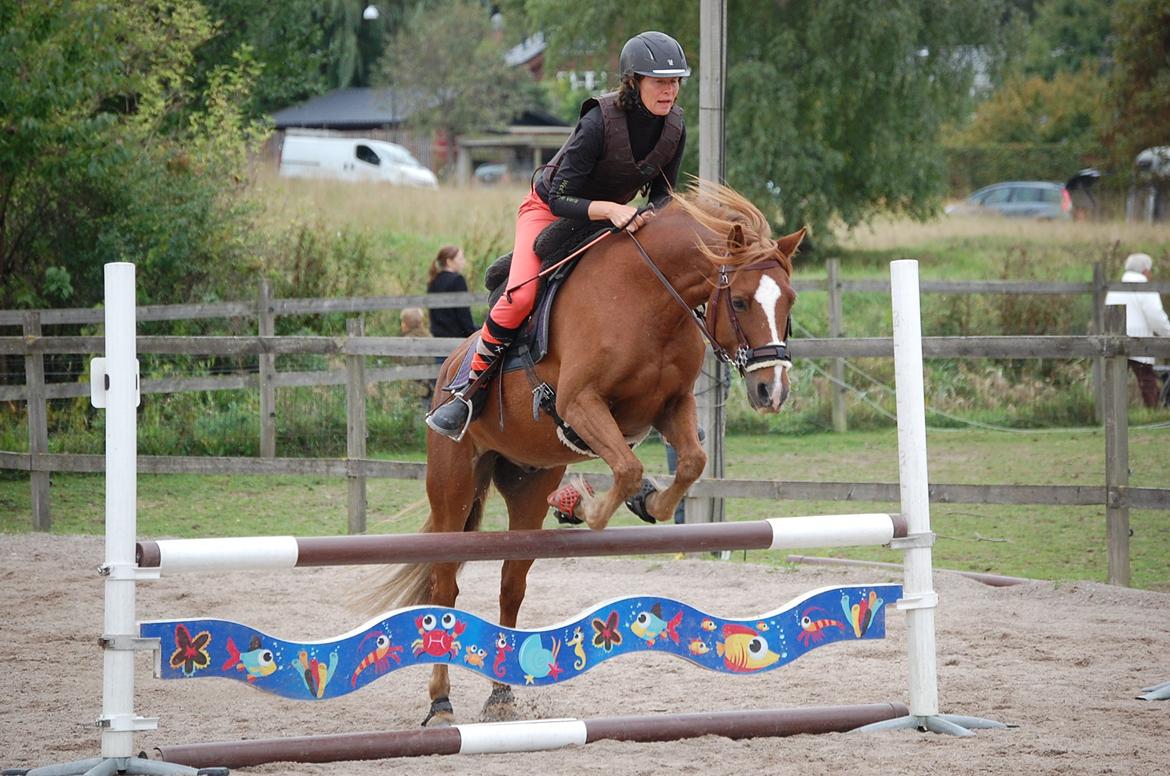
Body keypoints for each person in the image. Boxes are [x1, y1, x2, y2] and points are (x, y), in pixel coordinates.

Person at [426, 30, 690, 439]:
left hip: (611, 218)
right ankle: (467, 390)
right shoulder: (598, 120)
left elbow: (661, 194)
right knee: (521, 298)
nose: (670, 90)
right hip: (548, 210)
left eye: (675, 81)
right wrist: (611, 209)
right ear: (634, 82)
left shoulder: (675, 127)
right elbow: (559, 194)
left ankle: (660, 399)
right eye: (660, 81)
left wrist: (647, 219)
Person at [1103, 252, 1170, 408]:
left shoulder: (1115, 286)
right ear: (1145, 270)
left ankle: (1112, 413)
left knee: (1115, 382)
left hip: (1115, 338)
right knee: (1146, 380)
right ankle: (1153, 413)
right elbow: (1155, 316)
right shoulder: (1144, 286)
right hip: (1139, 341)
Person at [426, 246, 478, 340]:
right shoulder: (457, 280)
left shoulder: (433, 280)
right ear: (449, 261)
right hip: (457, 339)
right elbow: (463, 313)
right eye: (460, 258)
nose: (463, 261)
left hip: (437, 338)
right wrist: (472, 332)